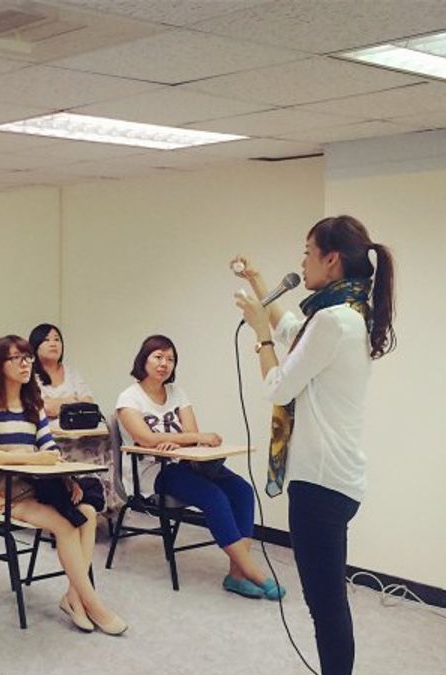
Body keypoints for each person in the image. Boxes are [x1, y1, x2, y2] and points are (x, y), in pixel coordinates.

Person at [232, 215, 396, 675]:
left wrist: (258, 331)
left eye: (307, 253)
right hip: (337, 478)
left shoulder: (333, 321)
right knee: (328, 604)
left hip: (320, 484)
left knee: (325, 608)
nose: (301, 262)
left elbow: (278, 386)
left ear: (331, 258)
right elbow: (294, 333)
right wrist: (258, 282)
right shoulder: (347, 313)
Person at [0, 335, 125, 635]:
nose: (25, 363)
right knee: (65, 526)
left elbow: (50, 451)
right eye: (16, 358)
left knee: (89, 514)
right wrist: (27, 458)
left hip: (39, 487)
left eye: (27, 357)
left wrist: (63, 475)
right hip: (2, 493)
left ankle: (73, 598)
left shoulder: (33, 404)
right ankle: (93, 604)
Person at [116, 334, 281, 601]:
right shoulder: (128, 398)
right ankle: (253, 572)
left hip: (186, 462)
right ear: (143, 360)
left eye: (170, 359)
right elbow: (146, 439)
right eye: (158, 357)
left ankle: (236, 575)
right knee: (213, 497)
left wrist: (178, 440)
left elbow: (192, 432)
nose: (164, 364)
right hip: (153, 472)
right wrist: (184, 439)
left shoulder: (176, 392)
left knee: (241, 490)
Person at [29, 323, 118, 511]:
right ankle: (70, 494)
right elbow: (40, 407)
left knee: (104, 439)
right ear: (35, 346)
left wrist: (59, 404)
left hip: (80, 431)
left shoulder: (72, 372)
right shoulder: (31, 375)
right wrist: (70, 401)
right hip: (50, 434)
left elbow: (88, 402)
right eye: (46, 340)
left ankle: (99, 498)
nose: (53, 344)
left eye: (57, 339)